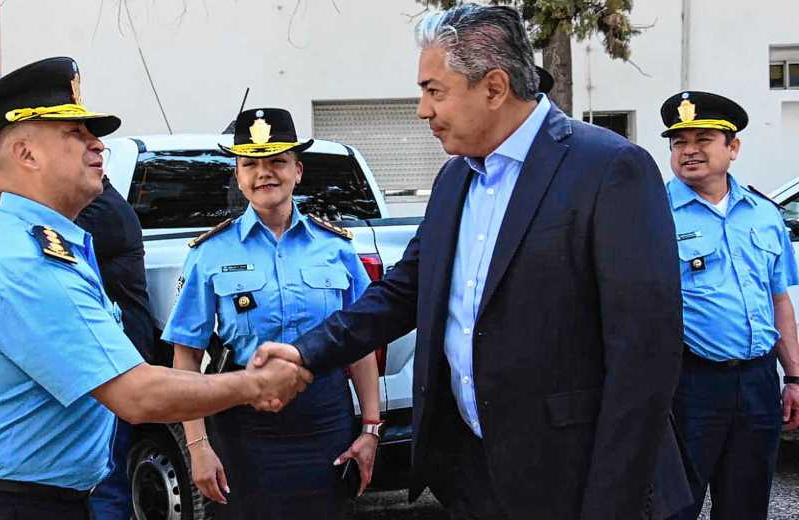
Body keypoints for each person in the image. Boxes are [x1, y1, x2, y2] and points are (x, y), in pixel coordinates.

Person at [252, 5, 692, 519]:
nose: (422, 109)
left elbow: (645, 359)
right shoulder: (455, 179)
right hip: (475, 479)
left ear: (494, 87)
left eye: (434, 91)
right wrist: (305, 353)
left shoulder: (610, 169)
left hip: (576, 481)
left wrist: (611, 503)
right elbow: (403, 293)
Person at [0, 56, 311, 520]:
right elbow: (136, 394)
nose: (98, 145)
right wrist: (253, 384)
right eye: (77, 134)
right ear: (26, 154)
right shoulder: (23, 261)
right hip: (5, 503)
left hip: (30, 497)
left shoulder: (50, 243)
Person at [162, 107, 380, 519]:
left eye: (277, 161)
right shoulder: (209, 254)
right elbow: (185, 356)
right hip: (243, 421)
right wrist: (198, 446)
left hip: (324, 419)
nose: (265, 173)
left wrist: (371, 428)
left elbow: (360, 345)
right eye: (250, 164)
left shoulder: (336, 248)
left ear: (297, 170)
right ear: (239, 176)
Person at [659, 91, 799, 520]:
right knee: (674, 506)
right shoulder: (652, 212)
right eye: (680, 142)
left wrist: (793, 376)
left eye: (704, 139)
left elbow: (779, 300)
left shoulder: (763, 214)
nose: (690, 151)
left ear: (732, 147)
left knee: (747, 504)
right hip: (689, 385)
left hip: (757, 382)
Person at [76, 176, 155, 519]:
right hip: (106, 356)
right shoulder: (95, 205)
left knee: (106, 473)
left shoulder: (100, 211)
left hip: (116, 359)